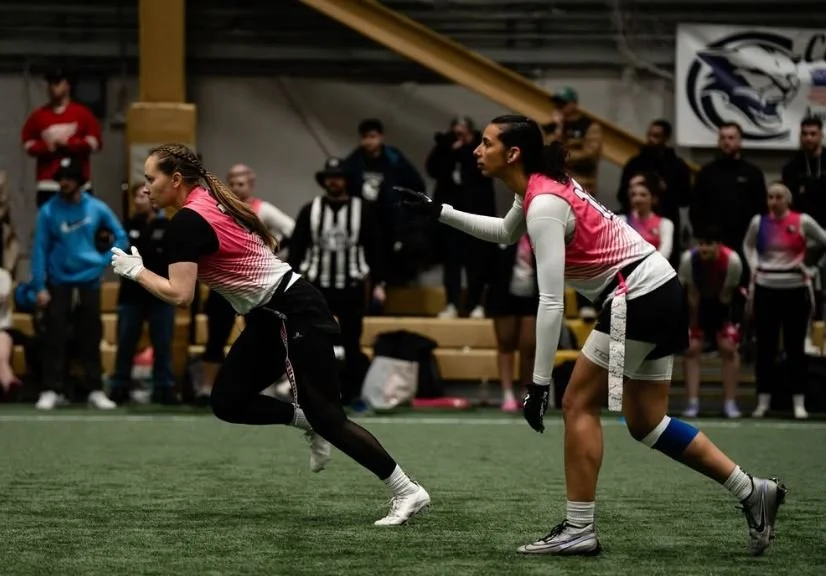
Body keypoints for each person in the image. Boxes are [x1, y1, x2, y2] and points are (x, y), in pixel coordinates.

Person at [398, 115, 785, 557]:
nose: (475, 150)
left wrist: (538, 384)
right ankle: (752, 490)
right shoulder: (538, 190)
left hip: (634, 296)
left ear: (513, 154)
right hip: (659, 288)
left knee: (576, 401)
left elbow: (550, 303)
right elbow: (506, 233)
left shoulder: (543, 203)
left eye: (484, 143)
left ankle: (579, 528)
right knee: (647, 422)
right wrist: (439, 211)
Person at [111, 144, 429, 525]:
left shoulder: (187, 221)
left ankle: (406, 490)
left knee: (330, 417)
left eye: (151, 179)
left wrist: (135, 271)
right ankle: (305, 420)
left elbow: (181, 295)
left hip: (290, 312)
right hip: (268, 314)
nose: (145, 188)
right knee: (228, 402)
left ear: (176, 179)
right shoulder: (206, 200)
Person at [288, 157, 385, 406]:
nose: (334, 181)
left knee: (352, 342)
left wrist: (378, 284)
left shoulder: (362, 209)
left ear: (346, 181)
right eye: (330, 177)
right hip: (316, 286)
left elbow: (375, 249)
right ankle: (313, 394)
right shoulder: (311, 210)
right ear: (324, 181)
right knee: (312, 341)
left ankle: (351, 395)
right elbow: (297, 249)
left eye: (338, 177)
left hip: (351, 286)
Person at [32, 156, 125, 410]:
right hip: (59, 282)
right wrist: (39, 286)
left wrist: (103, 260)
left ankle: (95, 389)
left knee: (90, 335)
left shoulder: (96, 207)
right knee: (54, 336)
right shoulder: (49, 211)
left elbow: (121, 236)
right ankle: (52, 389)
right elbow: (39, 249)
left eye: (69, 179)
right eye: (61, 179)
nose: (63, 183)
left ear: (79, 182)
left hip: (89, 280)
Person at [743, 182, 826, 420]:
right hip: (766, 287)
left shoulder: (803, 221)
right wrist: (754, 267)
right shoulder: (758, 222)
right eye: (770, 197)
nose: (774, 201)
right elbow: (748, 245)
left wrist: (813, 268)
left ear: (788, 200)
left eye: (779, 197)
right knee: (765, 347)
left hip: (795, 288)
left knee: (795, 347)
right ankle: (763, 401)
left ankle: (799, 402)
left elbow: (823, 241)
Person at [109, 183, 177, 405]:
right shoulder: (125, 227)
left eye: (144, 195)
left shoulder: (168, 226)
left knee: (163, 343)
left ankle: (164, 388)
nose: (140, 199)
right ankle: (119, 387)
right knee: (126, 342)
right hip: (131, 295)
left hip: (160, 293)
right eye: (136, 196)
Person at [426, 117, 495, 318]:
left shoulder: (481, 150)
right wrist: (448, 147)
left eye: (463, 133)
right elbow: (432, 168)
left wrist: (465, 148)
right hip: (450, 215)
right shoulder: (446, 148)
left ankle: (475, 304)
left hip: (476, 213)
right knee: (451, 262)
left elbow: (482, 170)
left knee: (477, 262)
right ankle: (452, 304)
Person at [679, 227, 743, 418]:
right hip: (698, 304)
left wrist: (721, 329)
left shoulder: (733, 262)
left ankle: (730, 403)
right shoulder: (688, 260)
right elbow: (691, 294)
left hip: (724, 304)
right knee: (692, 347)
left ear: (718, 245)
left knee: (728, 347)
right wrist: (695, 326)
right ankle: (692, 403)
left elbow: (727, 295)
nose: (703, 248)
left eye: (708, 244)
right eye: (700, 244)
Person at [21, 67, 102, 208]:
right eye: (50, 83)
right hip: (48, 183)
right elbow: (27, 144)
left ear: (67, 85)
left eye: (57, 82)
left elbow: (96, 143)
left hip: (79, 182)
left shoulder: (82, 114)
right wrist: (46, 147)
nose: (53, 87)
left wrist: (70, 144)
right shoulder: (38, 117)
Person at [486, 234, 537, 412]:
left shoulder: (544, 231)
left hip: (534, 295)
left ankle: (525, 391)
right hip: (503, 295)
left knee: (529, 345)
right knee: (505, 342)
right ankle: (507, 392)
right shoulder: (505, 230)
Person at [617, 173, 675, 261]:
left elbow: (665, 253)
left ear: (654, 199)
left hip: (653, 269)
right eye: (633, 195)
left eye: (643, 195)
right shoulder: (621, 221)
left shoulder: (665, 224)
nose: (637, 199)